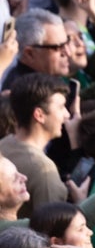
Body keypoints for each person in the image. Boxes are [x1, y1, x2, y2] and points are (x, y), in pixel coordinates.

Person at [0, 74, 70, 215]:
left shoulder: (3, 144)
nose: (67, 114)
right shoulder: (44, 172)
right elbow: (52, 228)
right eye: (61, 107)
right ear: (39, 115)